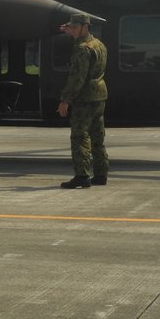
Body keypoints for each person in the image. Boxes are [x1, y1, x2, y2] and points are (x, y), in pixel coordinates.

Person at [57, 12, 109, 189]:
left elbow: (77, 78)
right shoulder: (99, 45)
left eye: (75, 27)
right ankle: (101, 173)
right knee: (97, 136)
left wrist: (65, 100)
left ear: (85, 27)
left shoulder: (82, 49)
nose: (72, 30)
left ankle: (82, 175)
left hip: (85, 98)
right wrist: (72, 33)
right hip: (100, 96)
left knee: (79, 136)